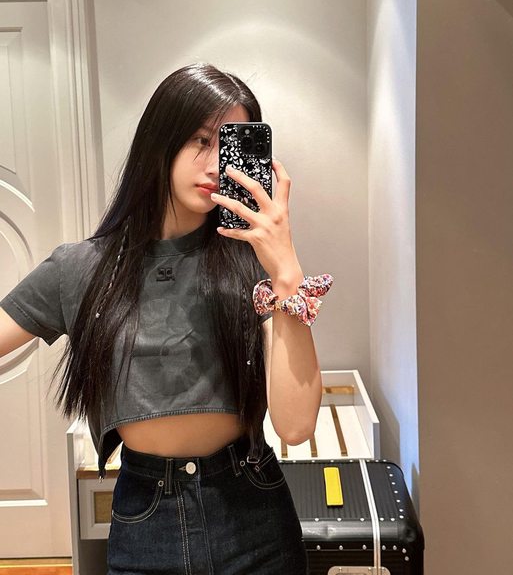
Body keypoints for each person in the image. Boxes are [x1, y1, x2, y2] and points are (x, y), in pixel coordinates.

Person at [0, 62, 333, 573]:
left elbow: (295, 426)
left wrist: (286, 272)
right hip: (145, 521)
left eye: (230, 145)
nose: (216, 164)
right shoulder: (82, 268)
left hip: (253, 516)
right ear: (161, 141)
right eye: (201, 139)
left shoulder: (252, 265)